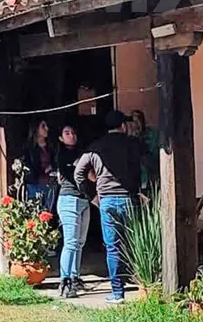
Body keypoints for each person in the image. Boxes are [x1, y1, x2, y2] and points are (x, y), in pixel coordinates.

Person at [74, 110, 150, 304]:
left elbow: (78, 173)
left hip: (106, 200)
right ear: (123, 126)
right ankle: (144, 286)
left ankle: (117, 293)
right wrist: (144, 191)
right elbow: (149, 164)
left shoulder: (96, 147)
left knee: (113, 247)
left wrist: (91, 196)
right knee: (135, 243)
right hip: (130, 198)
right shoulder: (133, 144)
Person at [55, 124, 91, 299]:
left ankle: (75, 276)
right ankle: (65, 280)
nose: (71, 135)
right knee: (70, 242)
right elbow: (67, 174)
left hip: (83, 199)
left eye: (73, 132)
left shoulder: (82, 152)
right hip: (69, 198)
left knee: (80, 242)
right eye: (67, 133)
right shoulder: (61, 155)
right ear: (61, 138)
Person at [23, 120, 57, 212]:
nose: (47, 128)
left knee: (48, 212)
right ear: (36, 128)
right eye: (43, 126)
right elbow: (28, 165)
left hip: (50, 183)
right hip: (35, 184)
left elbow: (56, 160)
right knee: (35, 211)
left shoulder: (51, 145)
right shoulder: (29, 147)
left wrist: (52, 167)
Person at [131, 109, 160, 191]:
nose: (136, 125)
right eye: (134, 122)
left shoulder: (153, 134)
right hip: (137, 179)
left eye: (138, 121)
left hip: (152, 176)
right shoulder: (129, 138)